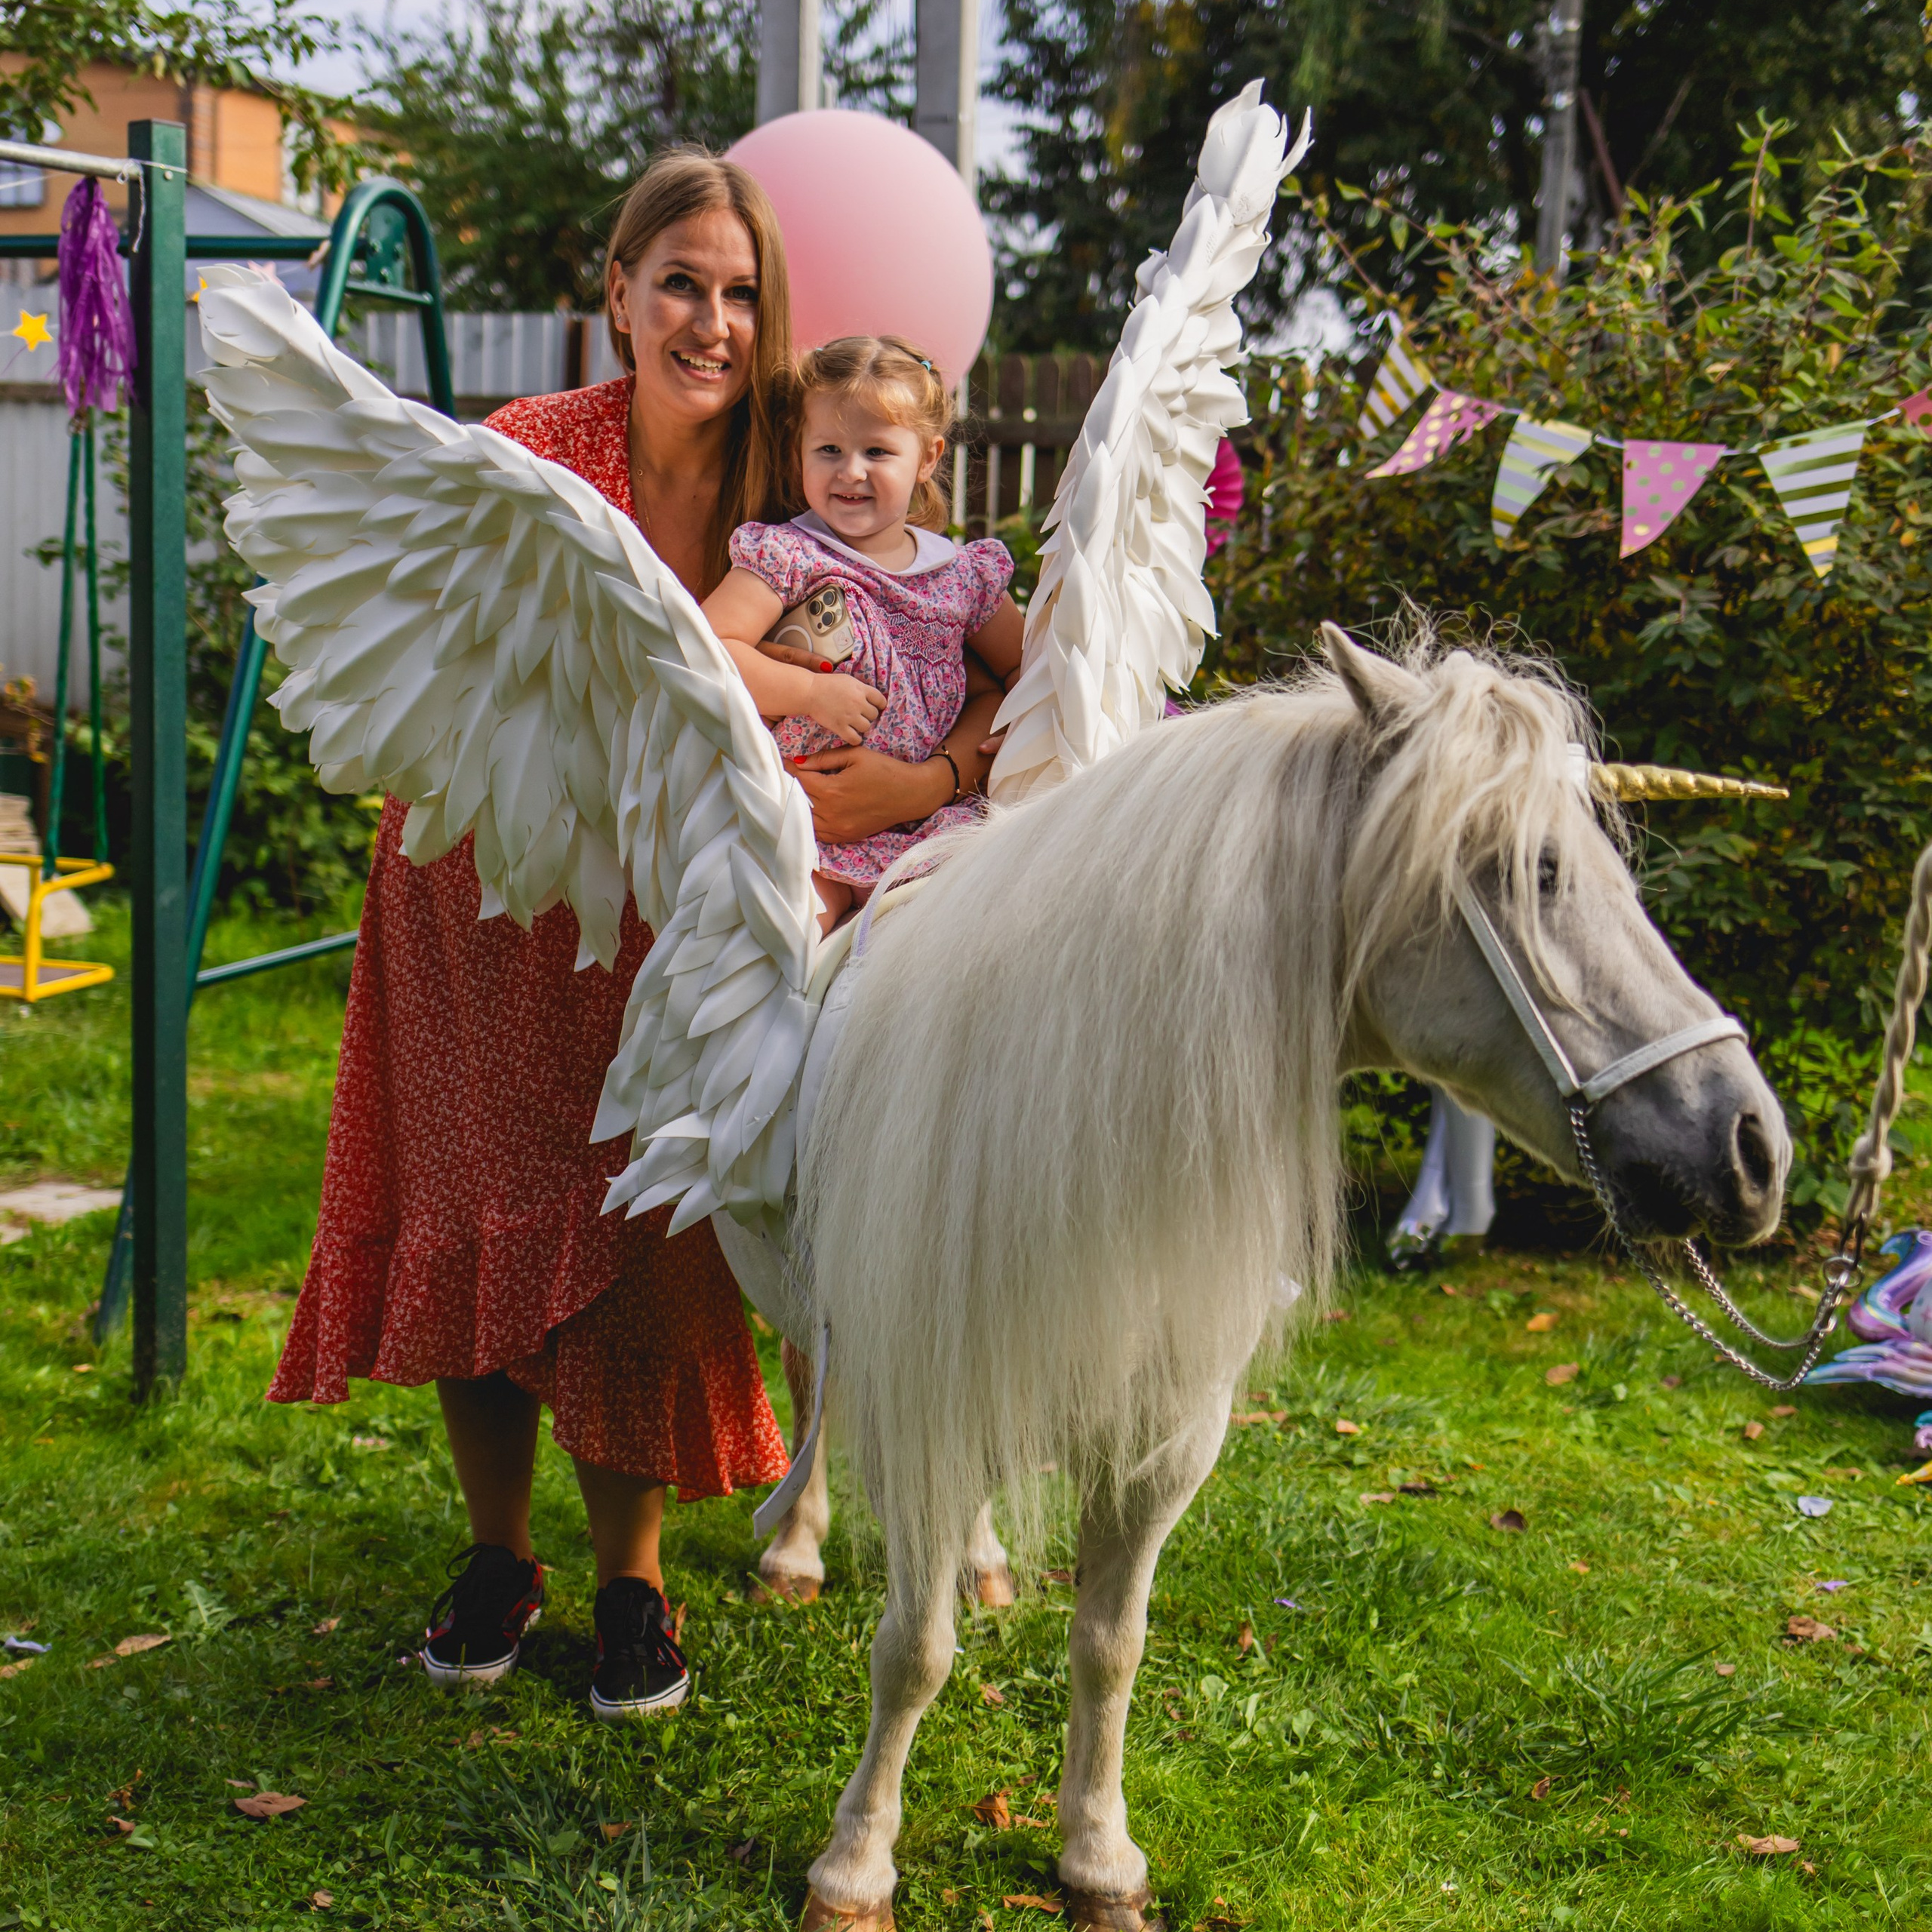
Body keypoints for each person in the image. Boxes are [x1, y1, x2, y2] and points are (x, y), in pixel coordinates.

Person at [268, 152, 818, 1724]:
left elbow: (893, 631)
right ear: (617, 294)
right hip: (488, 898)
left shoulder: (793, 486)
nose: (708, 319)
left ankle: (629, 1578)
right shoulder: (532, 452)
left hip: (681, 915)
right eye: (679, 284)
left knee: (648, 1237)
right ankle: (498, 1554)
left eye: (737, 292)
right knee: (487, 1204)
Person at [702, 334, 1024, 933]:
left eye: (877, 451)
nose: (850, 471)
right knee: (782, 945)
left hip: (927, 835)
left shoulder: (958, 576)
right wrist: (809, 695)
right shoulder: (791, 554)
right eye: (829, 449)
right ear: (799, 452)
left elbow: (1023, 679)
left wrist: (945, 779)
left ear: (927, 458)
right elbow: (708, 649)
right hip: (807, 826)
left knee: (942, 957)